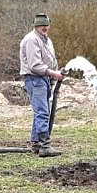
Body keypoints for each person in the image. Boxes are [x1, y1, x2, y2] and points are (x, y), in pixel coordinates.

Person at [19, 13, 65, 157]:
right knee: (42, 112)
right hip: (35, 78)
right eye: (41, 25)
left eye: (46, 25)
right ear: (36, 26)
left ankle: (36, 144)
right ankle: (45, 146)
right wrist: (53, 74)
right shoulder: (32, 40)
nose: (45, 28)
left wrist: (54, 75)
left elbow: (51, 60)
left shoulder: (46, 40)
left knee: (40, 111)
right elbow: (35, 65)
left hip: (43, 79)